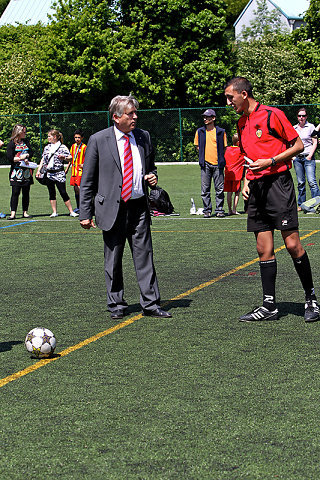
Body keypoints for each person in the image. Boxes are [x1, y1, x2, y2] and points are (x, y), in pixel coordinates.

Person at [224, 76, 319, 323]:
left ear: (243, 94)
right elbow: (247, 156)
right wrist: (247, 180)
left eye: (230, 97)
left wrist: (272, 161)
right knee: (263, 248)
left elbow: (298, 145)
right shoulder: (241, 123)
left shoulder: (271, 115)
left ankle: (311, 300)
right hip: (256, 187)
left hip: (278, 183)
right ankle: (269, 306)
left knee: (292, 245)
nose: (228, 102)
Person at [79, 95, 172, 320]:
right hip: (111, 208)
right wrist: (85, 213)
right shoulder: (98, 139)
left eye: (135, 113)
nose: (135, 117)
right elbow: (87, 180)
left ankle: (151, 304)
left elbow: (151, 167)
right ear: (116, 117)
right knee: (113, 258)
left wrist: (152, 176)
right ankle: (116, 304)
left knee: (145, 256)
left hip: (139, 207)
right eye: (131, 113)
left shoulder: (143, 137)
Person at [36, 129, 78, 218]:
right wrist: (39, 170)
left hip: (59, 173)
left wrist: (64, 157)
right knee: (51, 192)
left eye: (49, 136)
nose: (48, 138)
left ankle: (71, 211)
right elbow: (43, 160)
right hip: (49, 173)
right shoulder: (47, 147)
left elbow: (70, 158)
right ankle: (54, 212)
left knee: (63, 192)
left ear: (55, 137)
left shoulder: (62, 147)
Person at [194, 109, 227, 218]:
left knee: (219, 189)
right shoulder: (200, 131)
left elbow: (224, 148)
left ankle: (219, 210)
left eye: (207, 117)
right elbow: (198, 147)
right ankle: (207, 210)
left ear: (213, 118)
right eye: (204, 117)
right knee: (205, 190)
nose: (205, 119)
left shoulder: (221, 132)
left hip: (218, 165)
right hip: (205, 164)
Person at [292, 108, 320, 211]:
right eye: (299, 116)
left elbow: (315, 142)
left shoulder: (311, 127)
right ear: (297, 117)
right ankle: (301, 204)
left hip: (308, 157)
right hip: (297, 159)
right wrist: (293, 156)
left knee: (312, 181)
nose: (301, 118)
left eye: (303, 116)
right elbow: (292, 143)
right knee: (300, 183)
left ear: (306, 117)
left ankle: (316, 203)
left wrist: (310, 155)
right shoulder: (294, 128)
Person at [7, 124, 34, 220]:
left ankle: (25, 212)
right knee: (15, 192)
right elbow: (10, 157)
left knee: (26, 192)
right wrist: (19, 158)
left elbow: (31, 152)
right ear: (18, 132)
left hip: (26, 172)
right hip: (16, 172)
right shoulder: (11, 143)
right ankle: (13, 213)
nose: (25, 133)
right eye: (24, 131)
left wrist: (26, 156)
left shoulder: (26, 142)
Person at [65, 129, 87, 213]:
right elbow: (71, 159)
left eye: (79, 137)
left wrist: (84, 165)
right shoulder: (73, 146)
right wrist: (67, 169)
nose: (77, 139)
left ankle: (83, 207)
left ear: (82, 138)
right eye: (75, 137)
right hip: (74, 171)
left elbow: (89, 158)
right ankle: (78, 207)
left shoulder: (84, 147)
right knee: (75, 189)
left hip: (80, 171)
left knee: (80, 189)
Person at [224, 133, 244, 215]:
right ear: (238, 142)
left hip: (228, 173)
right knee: (236, 192)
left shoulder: (227, 149)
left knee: (229, 192)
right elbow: (244, 159)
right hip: (237, 174)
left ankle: (229, 210)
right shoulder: (240, 151)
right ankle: (234, 209)